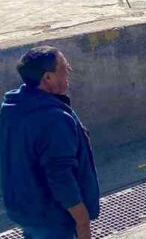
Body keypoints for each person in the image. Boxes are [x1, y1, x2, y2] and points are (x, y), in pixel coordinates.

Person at [0, 47, 99, 239]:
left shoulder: (12, 107)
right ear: (48, 78)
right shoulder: (53, 119)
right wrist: (82, 221)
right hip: (52, 217)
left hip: (24, 209)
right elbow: (60, 176)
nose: (69, 69)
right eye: (63, 66)